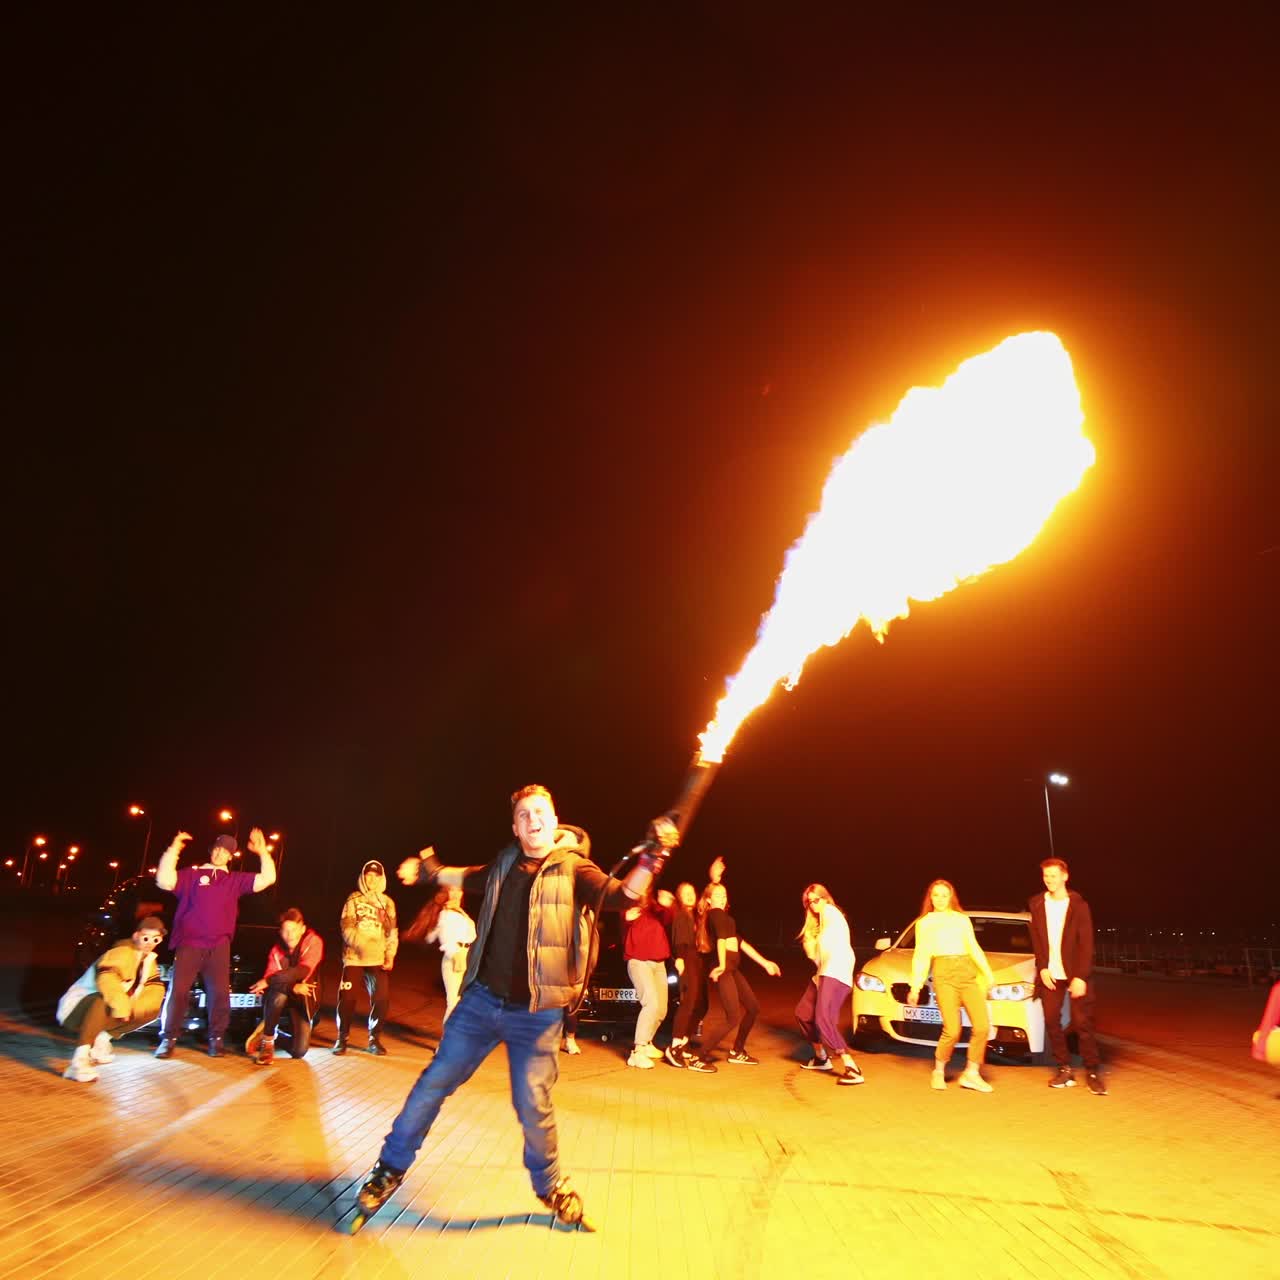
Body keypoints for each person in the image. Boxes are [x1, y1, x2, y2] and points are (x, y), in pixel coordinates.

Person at [348, 783, 678, 1232]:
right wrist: (429, 871)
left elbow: (625, 896)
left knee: (532, 1103)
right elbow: (464, 876)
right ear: (515, 826)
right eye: (524, 814)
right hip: (482, 1001)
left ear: (555, 819)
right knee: (434, 1082)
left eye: (540, 811)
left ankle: (550, 1184)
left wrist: (653, 857)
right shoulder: (504, 862)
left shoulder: (574, 870)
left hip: (537, 1013)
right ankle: (389, 1167)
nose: (532, 820)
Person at [155, 828, 276, 1058]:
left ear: (231, 857)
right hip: (189, 944)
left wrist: (262, 852)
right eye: (218, 848)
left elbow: (268, 879)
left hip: (219, 946)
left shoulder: (234, 881)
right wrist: (175, 849)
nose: (220, 853)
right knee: (178, 992)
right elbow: (163, 881)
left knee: (219, 994)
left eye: (226, 851)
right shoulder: (191, 876)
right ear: (212, 850)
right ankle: (168, 1039)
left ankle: (216, 1039)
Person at [907, 879, 995, 1093]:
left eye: (944, 895)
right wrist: (915, 987)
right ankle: (938, 1071)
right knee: (953, 1030)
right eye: (935, 895)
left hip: (967, 972)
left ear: (951, 897)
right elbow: (921, 956)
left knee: (983, 1026)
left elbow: (973, 947)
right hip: (943, 973)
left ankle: (971, 1074)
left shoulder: (961, 920)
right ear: (930, 898)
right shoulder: (924, 923)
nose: (940, 899)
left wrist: (988, 974)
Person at [57, 916, 168, 1082]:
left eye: (155, 939)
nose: (149, 943)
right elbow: (107, 981)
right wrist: (123, 1007)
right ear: (136, 936)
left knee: (151, 1010)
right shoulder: (121, 952)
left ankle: (101, 1042)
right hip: (77, 1009)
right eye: (146, 937)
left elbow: (154, 989)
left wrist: (138, 1008)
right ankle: (78, 1062)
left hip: (109, 1009)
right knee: (101, 1001)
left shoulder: (149, 960)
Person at [1029, 858, 1106, 1095]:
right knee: (1051, 1020)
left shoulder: (1078, 905)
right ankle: (1064, 1068)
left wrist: (1081, 976)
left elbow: (1086, 942)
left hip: (1075, 973)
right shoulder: (1037, 904)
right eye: (1046, 876)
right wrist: (1042, 967)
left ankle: (1092, 1071)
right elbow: (1038, 941)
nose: (1049, 880)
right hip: (1050, 973)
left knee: (1082, 1022)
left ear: (1065, 876)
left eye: (1054, 875)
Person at [698, 880, 781, 1065]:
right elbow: (720, 940)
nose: (722, 898)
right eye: (717, 895)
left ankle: (737, 1051)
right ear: (709, 900)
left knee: (753, 1007)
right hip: (724, 969)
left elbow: (742, 944)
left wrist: (765, 963)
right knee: (733, 1016)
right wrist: (720, 965)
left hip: (732, 969)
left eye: (724, 895)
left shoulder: (725, 919)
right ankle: (700, 1058)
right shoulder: (716, 915)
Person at [796, 884, 864, 1085]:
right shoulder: (820, 925)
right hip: (823, 973)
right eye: (809, 902)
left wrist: (815, 938)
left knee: (823, 1019)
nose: (814, 905)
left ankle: (851, 1066)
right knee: (803, 1014)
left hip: (836, 971)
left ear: (826, 898)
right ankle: (821, 1057)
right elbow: (815, 958)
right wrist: (810, 941)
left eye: (817, 899)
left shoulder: (831, 913)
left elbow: (833, 947)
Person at [663, 857, 724, 1073]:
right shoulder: (681, 916)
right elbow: (679, 942)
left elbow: (707, 904)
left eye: (691, 892)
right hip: (687, 959)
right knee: (688, 1003)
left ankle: (684, 1042)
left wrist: (714, 881)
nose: (689, 896)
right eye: (684, 893)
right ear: (679, 898)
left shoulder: (694, 916)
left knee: (701, 1004)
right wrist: (679, 959)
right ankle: (674, 1046)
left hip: (698, 961)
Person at [245, 908, 324, 1065]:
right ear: (280, 932)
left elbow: (303, 970)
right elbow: (272, 977)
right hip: (282, 995)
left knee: (299, 1051)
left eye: (294, 930)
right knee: (278, 994)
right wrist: (290, 987)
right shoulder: (276, 950)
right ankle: (267, 1044)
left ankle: (271, 1031)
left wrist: (268, 981)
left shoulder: (314, 942)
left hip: (303, 999)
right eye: (286, 931)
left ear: (302, 929)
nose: (290, 935)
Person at [335, 860, 399, 1055]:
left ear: (381, 878)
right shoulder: (353, 899)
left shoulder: (387, 903)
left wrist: (390, 955)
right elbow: (346, 927)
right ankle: (342, 1038)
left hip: (377, 959)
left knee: (382, 999)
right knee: (347, 998)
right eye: (368, 875)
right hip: (354, 957)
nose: (371, 879)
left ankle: (374, 1039)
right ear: (363, 877)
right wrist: (361, 945)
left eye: (376, 876)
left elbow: (392, 931)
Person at [621, 889, 676, 1068]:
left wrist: (667, 904)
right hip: (639, 961)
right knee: (650, 1004)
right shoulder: (629, 906)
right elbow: (622, 926)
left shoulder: (656, 910)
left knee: (661, 1010)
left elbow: (669, 917)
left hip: (659, 964)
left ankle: (648, 1042)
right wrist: (625, 918)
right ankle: (637, 1052)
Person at [405, 885, 476, 1022]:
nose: (456, 893)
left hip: (465, 954)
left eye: (458, 890)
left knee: (461, 1001)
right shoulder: (446, 913)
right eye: (452, 890)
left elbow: (472, 935)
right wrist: (455, 954)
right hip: (455, 956)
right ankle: (446, 1042)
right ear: (446, 893)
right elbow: (445, 937)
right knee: (454, 1001)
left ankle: (455, 1038)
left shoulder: (459, 912)